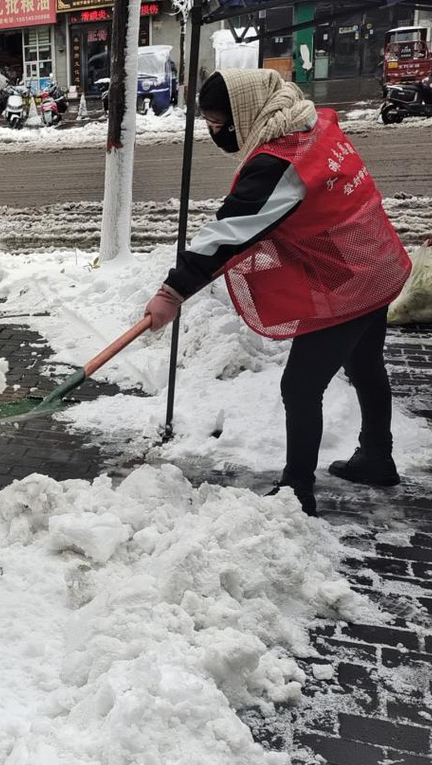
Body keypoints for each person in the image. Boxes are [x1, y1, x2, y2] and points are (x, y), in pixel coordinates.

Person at [143, 69, 411, 517]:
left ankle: (296, 494)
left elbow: (231, 230)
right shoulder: (309, 125)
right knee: (365, 366)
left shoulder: (281, 162)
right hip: (374, 262)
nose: (215, 130)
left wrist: (173, 291)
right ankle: (377, 458)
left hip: (353, 278)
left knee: (300, 387)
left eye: (217, 118)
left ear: (244, 113)